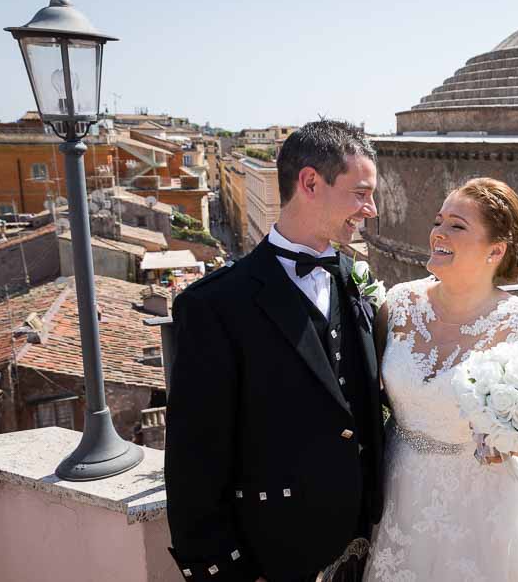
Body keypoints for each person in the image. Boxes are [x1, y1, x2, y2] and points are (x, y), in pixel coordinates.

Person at [165, 120, 385, 582]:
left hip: (366, 548)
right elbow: (193, 465)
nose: (372, 209)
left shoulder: (353, 278)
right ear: (309, 182)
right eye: (361, 193)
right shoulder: (214, 306)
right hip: (273, 556)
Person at [365, 177, 518, 581]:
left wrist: (508, 441)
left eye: (457, 225)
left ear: (496, 250)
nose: (438, 232)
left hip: (481, 506)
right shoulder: (398, 304)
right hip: (398, 489)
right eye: (439, 221)